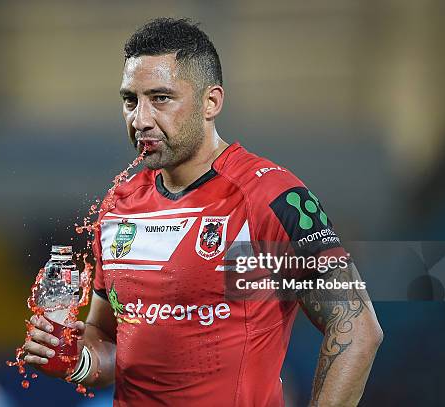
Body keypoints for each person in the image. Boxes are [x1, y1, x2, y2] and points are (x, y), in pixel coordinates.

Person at [23, 17, 383, 406]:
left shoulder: (268, 197)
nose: (140, 120)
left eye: (160, 98)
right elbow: (111, 342)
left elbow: (355, 328)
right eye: (131, 100)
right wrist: (77, 360)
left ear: (211, 102)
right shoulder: (118, 207)